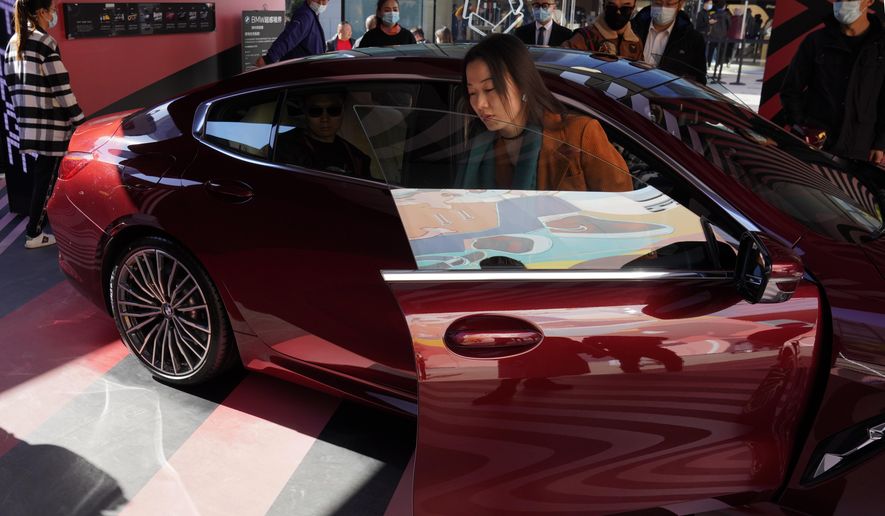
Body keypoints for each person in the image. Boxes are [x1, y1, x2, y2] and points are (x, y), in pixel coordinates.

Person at [459, 33, 631, 192]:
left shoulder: (580, 134)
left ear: (522, 84)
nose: (479, 104)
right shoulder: (481, 147)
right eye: (472, 93)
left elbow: (623, 205)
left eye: (490, 89)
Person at [4, 0, 84, 249]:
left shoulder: (13, 42)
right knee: (48, 180)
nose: (53, 15)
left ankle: (41, 228)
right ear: (41, 12)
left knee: (44, 176)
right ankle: (34, 233)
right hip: (52, 124)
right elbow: (61, 87)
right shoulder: (44, 42)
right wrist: (79, 119)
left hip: (30, 122)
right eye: (51, 10)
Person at [780, 0, 885, 165]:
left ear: (869, 1)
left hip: (859, 148)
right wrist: (801, 126)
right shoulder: (816, 41)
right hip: (814, 145)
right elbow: (791, 89)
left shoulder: (881, 47)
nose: (842, 3)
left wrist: (880, 143)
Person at [276, 93, 371, 179]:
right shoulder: (283, 147)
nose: (325, 119)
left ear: (343, 111)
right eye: (315, 111)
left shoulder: (358, 158)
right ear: (305, 111)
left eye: (333, 110)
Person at [632, 0, 707, 84]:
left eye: (669, 4)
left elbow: (699, 80)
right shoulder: (632, 28)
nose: (662, 8)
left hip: (664, 91)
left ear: (680, 4)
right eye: (658, 3)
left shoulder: (693, 39)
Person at [562, 0, 643, 61]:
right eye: (612, 7)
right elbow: (562, 62)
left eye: (625, 8)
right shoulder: (585, 37)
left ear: (633, 8)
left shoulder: (636, 42)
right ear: (604, 5)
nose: (618, 12)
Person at [256, 0, 329, 66]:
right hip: (299, 70)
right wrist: (268, 59)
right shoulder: (305, 15)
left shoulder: (312, 14)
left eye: (324, 0)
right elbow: (289, 37)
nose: (320, 3)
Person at [706, 0, 730, 68]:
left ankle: (708, 63)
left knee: (711, 50)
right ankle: (718, 64)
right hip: (722, 35)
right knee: (720, 51)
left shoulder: (713, 14)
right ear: (724, 6)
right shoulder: (726, 15)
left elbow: (709, 24)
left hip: (713, 35)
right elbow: (729, 25)